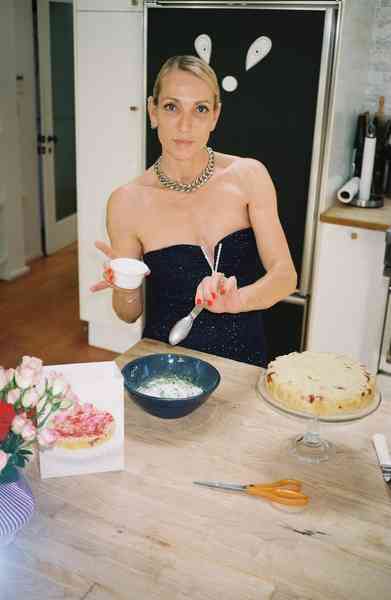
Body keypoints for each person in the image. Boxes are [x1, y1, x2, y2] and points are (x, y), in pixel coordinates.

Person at [91, 55, 297, 366]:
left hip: (244, 362)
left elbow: (285, 276)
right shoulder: (126, 202)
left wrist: (236, 300)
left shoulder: (249, 176)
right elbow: (128, 313)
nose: (185, 125)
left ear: (215, 116)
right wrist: (125, 283)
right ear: (153, 111)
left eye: (200, 109)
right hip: (166, 364)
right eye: (172, 107)